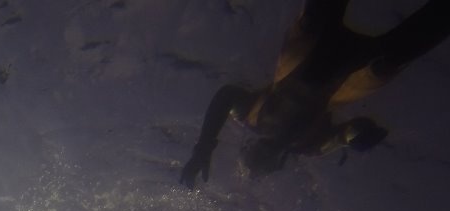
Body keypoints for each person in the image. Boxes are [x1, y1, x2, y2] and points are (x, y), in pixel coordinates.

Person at [180, 0, 450, 186]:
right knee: (385, 64)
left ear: (250, 144)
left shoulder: (250, 117)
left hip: (307, 54)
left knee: (313, 22)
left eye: (257, 154)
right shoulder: (311, 146)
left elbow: (226, 95)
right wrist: (361, 136)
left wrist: (204, 147)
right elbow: (348, 133)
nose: (266, 151)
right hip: (347, 79)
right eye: (266, 160)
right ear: (280, 163)